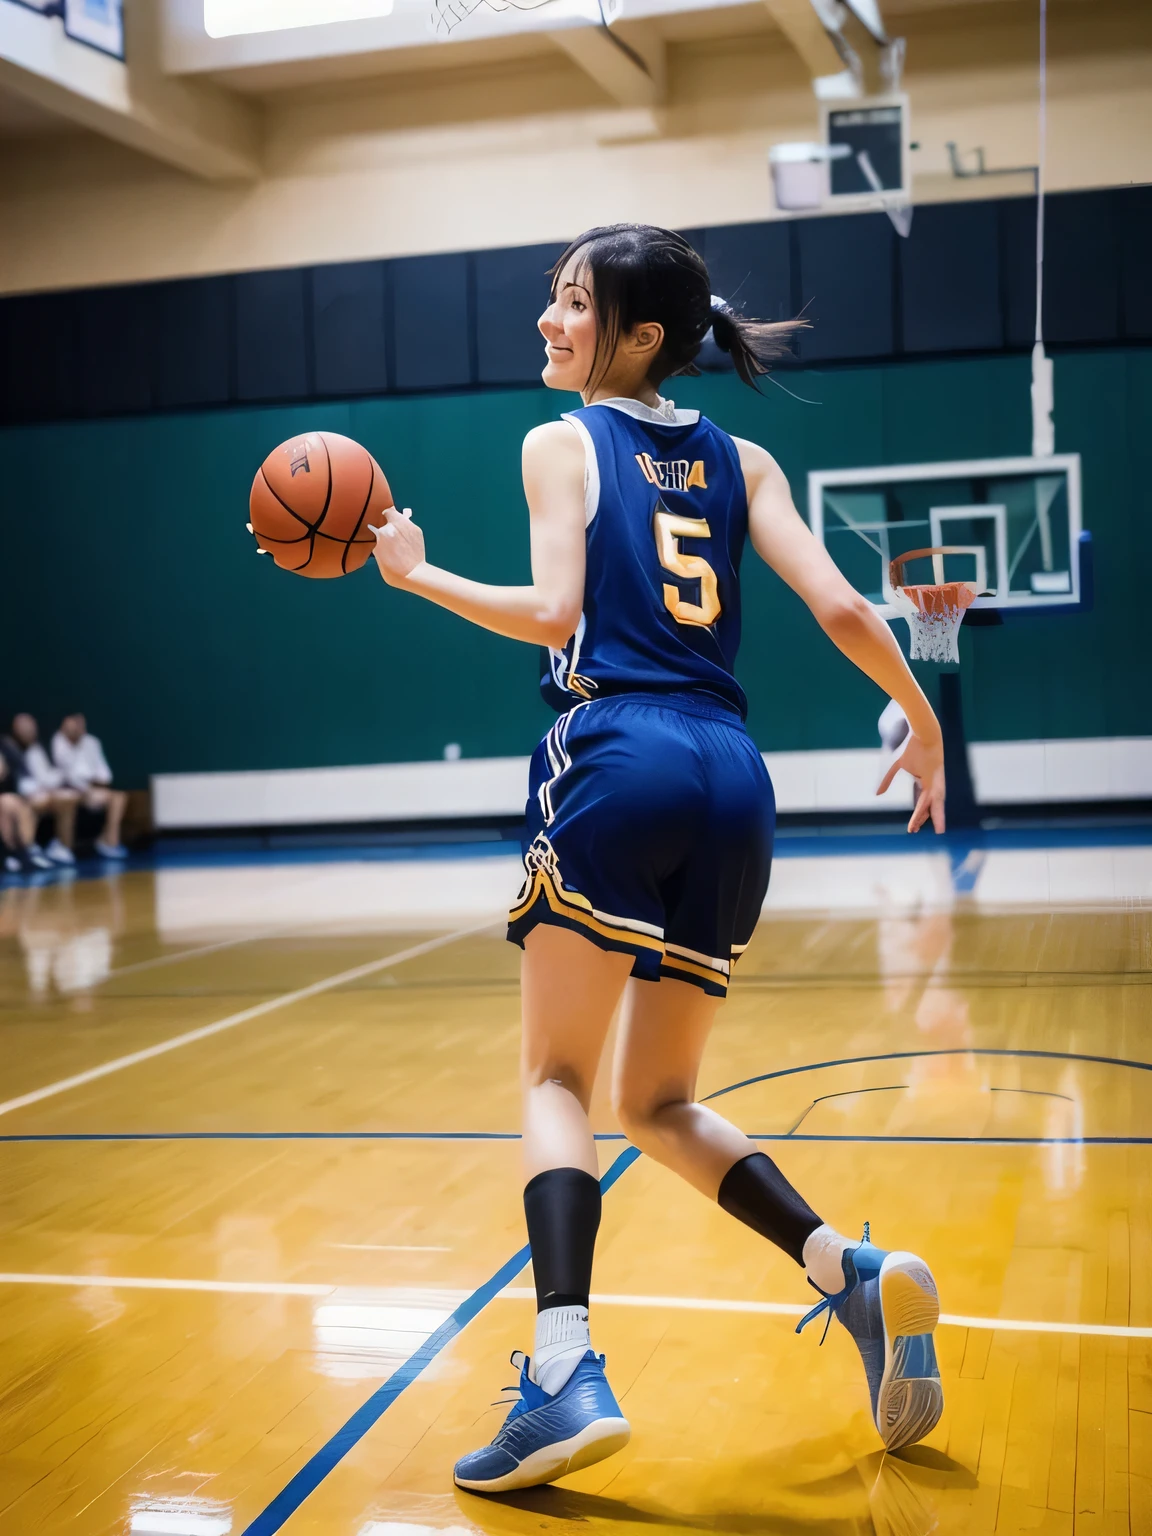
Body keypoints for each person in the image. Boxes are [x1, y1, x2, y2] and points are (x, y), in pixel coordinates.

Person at [366, 225, 947, 1492]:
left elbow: (556, 615)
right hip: (736, 777)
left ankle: (565, 1365)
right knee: (659, 1102)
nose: (547, 322)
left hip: (617, 751)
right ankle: (846, 1274)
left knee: (557, 1080)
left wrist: (414, 577)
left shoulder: (560, 442)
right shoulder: (744, 461)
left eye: (572, 304)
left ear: (635, 337)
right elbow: (844, 607)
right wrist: (926, 718)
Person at [50, 714, 129, 859]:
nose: (77, 727)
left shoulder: (92, 742)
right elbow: (67, 775)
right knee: (68, 798)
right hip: (64, 791)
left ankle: (109, 842)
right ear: (64, 726)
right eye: (73, 724)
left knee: (118, 797)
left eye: (80, 724)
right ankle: (64, 846)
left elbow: (105, 774)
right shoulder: (56, 742)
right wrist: (85, 787)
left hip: (91, 789)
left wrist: (92, 786)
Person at [6, 714, 80, 866]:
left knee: (67, 799)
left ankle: (62, 848)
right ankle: (26, 851)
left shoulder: (41, 747)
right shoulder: (9, 747)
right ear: (15, 729)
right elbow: (19, 781)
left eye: (31, 727)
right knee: (22, 804)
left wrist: (52, 787)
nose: (29, 731)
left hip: (44, 792)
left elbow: (48, 775)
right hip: (22, 796)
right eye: (24, 728)